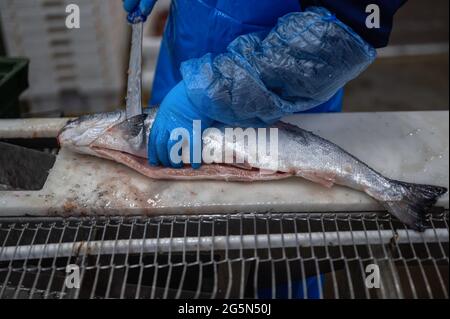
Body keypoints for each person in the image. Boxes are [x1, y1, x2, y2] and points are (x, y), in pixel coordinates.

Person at [123, 0, 407, 169]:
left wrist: (210, 92)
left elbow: (343, 26)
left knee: (286, 237)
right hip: (181, 71)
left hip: (288, 105)